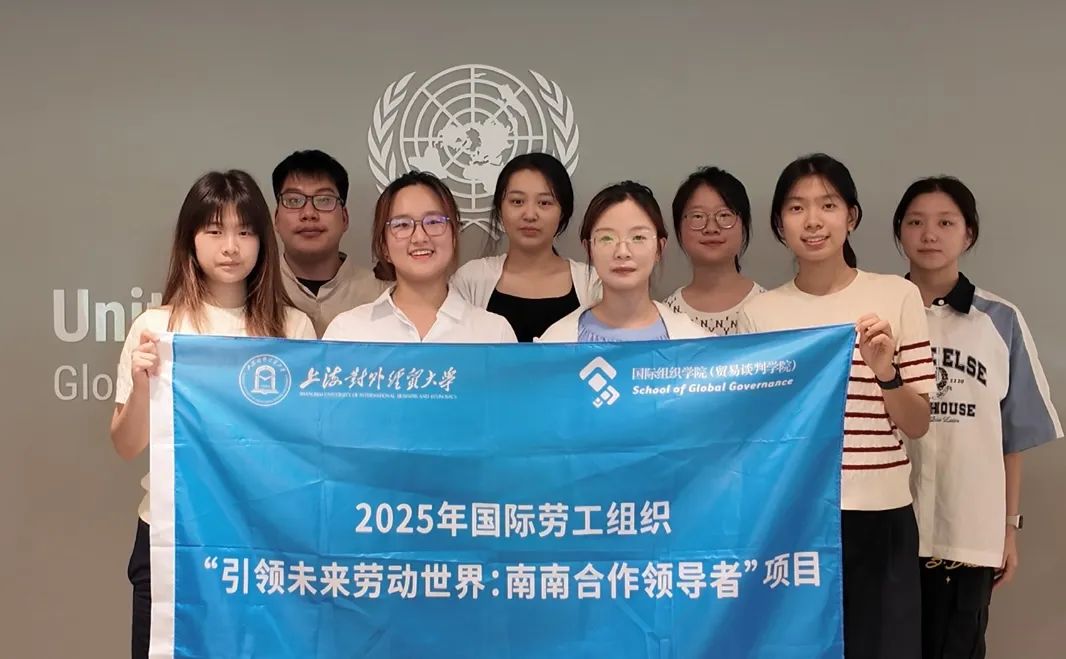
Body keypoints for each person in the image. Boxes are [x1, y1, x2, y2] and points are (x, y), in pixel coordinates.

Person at [110, 170, 315, 657]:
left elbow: (306, 447)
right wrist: (142, 384)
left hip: (264, 535)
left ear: (263, 240)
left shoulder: (293, 328)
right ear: (191, 238)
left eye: (245, 231)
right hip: (172, 532)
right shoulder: (157, 327)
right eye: (215, 230)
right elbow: (126, 445)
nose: (231, 247)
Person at [739, 154, 934, 659]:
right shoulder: (760, 314)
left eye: (827, 205)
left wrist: (887, 373)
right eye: (796, 207)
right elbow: (758, 434)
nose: (813, 221)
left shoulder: (896, 295)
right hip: (795, 515)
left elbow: (917, 423)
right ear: (779, 224)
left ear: (852, 216)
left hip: (880, 513)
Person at [893, 176, 1062, 659]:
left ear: (968, 233)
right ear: (899, 232)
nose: (930, 234)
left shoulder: (1000, 320)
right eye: (916, 222)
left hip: (968, 533)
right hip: (889, 530)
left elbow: (1012, 435)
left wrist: (1008, 528)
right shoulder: (877, 315)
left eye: (946, 223)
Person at [324, 171, 515, 343]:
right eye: (402, 224)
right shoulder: (347, 332)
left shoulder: (494, 333)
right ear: (384, 246)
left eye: (433, 222)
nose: (420, 237)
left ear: (454, 236)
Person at [451, 153, 600, 341]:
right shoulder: (470, 280)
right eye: (517, 201)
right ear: (500, 209)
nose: (530, 215)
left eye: (544, 203)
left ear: (563, 212)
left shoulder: (592, 284)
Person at [540, 181, 707, 342]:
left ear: (659, 248)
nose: (622, 252)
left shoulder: (693, 341)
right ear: (589, 248)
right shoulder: (556, 342)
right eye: (607, 238)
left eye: (638, 237)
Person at [273, 149, 388, 336]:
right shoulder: (253, 290)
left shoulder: (382, 296)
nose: (309, 213)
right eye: (293, 200)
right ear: (276, 218)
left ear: (345, 218)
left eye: (324, 200)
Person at [663, 166, 764, 335]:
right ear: (679, 228)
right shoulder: (666, 316)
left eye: (724, 215)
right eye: (697, 216)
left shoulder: (768, 307)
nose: (711, 228)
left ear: (744, 225)